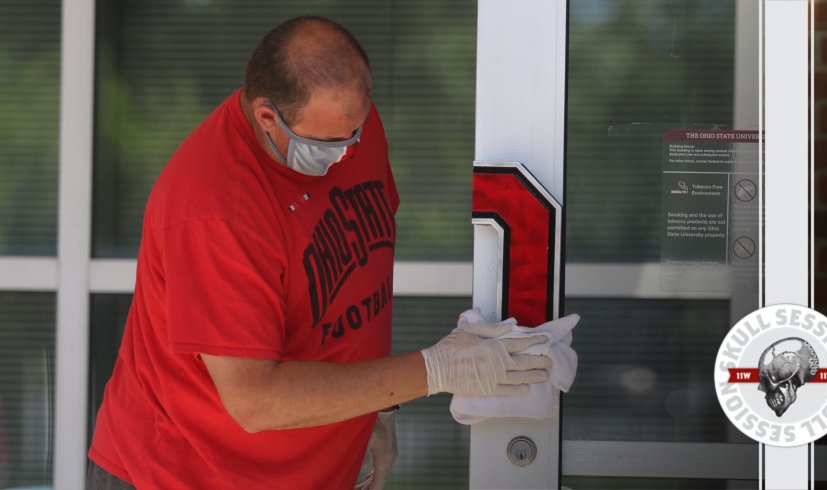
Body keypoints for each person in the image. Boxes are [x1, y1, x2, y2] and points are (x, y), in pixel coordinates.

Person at [87, 16, 557, 489]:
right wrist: (433, 370)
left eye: (356, 130)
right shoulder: (215, 207)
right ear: (267, 117)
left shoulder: (349, 125)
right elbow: (255, 400)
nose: (346, 154)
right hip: (183, 475)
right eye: (325, 145)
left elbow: (354, 288)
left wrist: (378, 404)